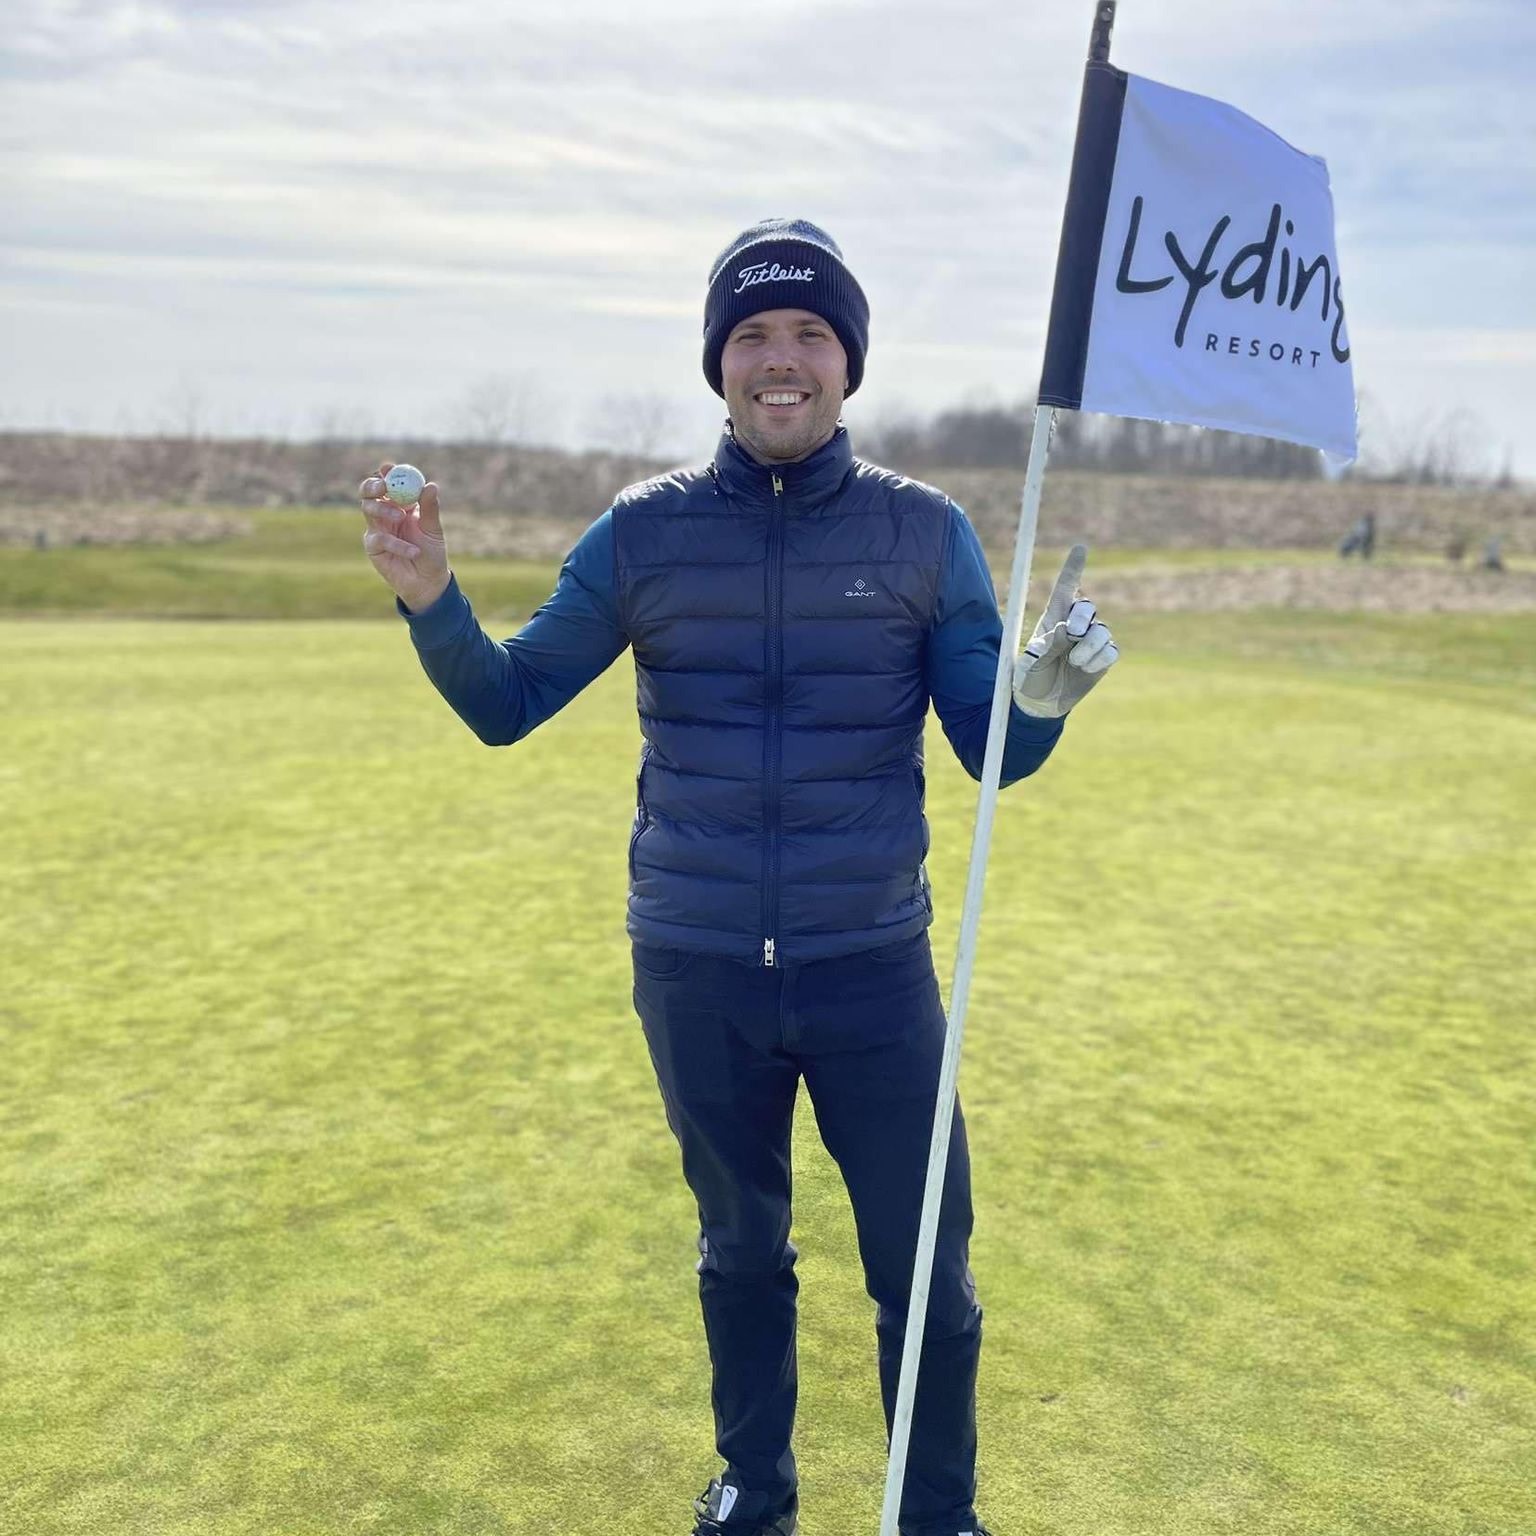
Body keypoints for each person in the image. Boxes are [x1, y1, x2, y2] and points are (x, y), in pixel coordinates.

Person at [358, 219, 1119, 1536]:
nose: (783, 359)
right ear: (719, 363)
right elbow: (508, 701)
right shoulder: (641, 534)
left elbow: (991, 754)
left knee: (926, 1268)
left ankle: (936, 1515)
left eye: (810, 334)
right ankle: (753, 1495)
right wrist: (434, 601)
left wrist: (1038, 701)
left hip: (872, 970)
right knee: (740, 1250)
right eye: (754, 335)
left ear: (848, 364)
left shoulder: (923, 533)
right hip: (697, 968)